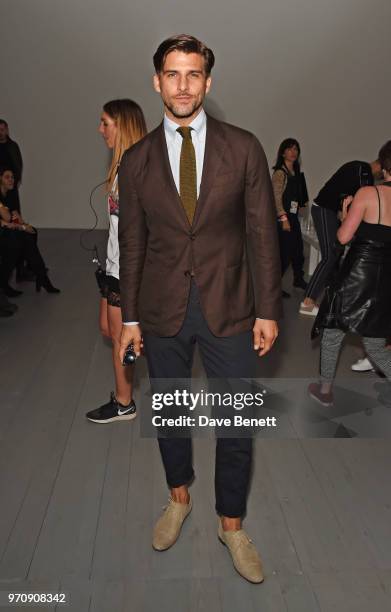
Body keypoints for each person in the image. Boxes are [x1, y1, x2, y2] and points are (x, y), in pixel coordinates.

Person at [118, 35, 281, 583]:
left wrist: (268, 308)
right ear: (156, 81)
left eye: (193, 75)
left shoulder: (244, 148)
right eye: (172, 74)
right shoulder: (137, 160)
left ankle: (231, 524)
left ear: (208, 83)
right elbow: (134, 243)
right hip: (162, 309)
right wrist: (130, 317)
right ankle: (179, 497)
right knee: (171, 414)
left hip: (231, 305)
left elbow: (262, 233)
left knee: (237, 423)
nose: (182, 85)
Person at [309, 140, 391, 407]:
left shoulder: (369, 193)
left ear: (384, 165)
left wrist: (345, 217)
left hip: (357, 274)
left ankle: (324, 391)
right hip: (384, 279)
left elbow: (343, 237)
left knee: (333, 333)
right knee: (377, 344)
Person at [85, 99, 147, 424]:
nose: (100, 129)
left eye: (105, 122)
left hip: (127, 272)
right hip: (113, 267)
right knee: (108, 330)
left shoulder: (137, 172)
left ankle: (124, 403)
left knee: (121, 338)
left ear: (122, 126)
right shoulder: (121, 167)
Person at [299, 157, 382, 316]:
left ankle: (327, 299)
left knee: (335, 254)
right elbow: (352, 200)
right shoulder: (362, 171)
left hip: (330, 211)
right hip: (323, 208)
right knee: (330, 255)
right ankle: (307, 301)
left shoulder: (362, 172)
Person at [0, 167, 60, 295]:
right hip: (3, 233)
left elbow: (15, 218)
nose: (11, 180)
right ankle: (41, 277)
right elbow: (7, 217)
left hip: (8, 232)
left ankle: (39, 275)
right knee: (21, 238)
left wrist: (23, 225)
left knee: (30, 233)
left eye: (12, 177)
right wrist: (19, 225)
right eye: (7, 177)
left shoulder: (10, 195)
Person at [272, 138, 308, 298]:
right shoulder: (280, 173)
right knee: (284, 254)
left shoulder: (297, 173)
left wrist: (300, 204)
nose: (293, 152)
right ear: (283, 152)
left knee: (298, 251)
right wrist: (283, 217)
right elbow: (275, 197)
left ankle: (298, 280)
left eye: (296, 149)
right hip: (283, 219)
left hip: (293, 218)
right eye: (290, 149)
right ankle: (273, 288)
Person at [0, 120, 23, 213]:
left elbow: (18, 164)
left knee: (14, 212)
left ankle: (16, 226)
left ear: (7, 130)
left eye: (2, 129)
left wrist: (15, 180)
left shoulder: (13, 146)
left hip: (11, 185)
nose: (0, 132)